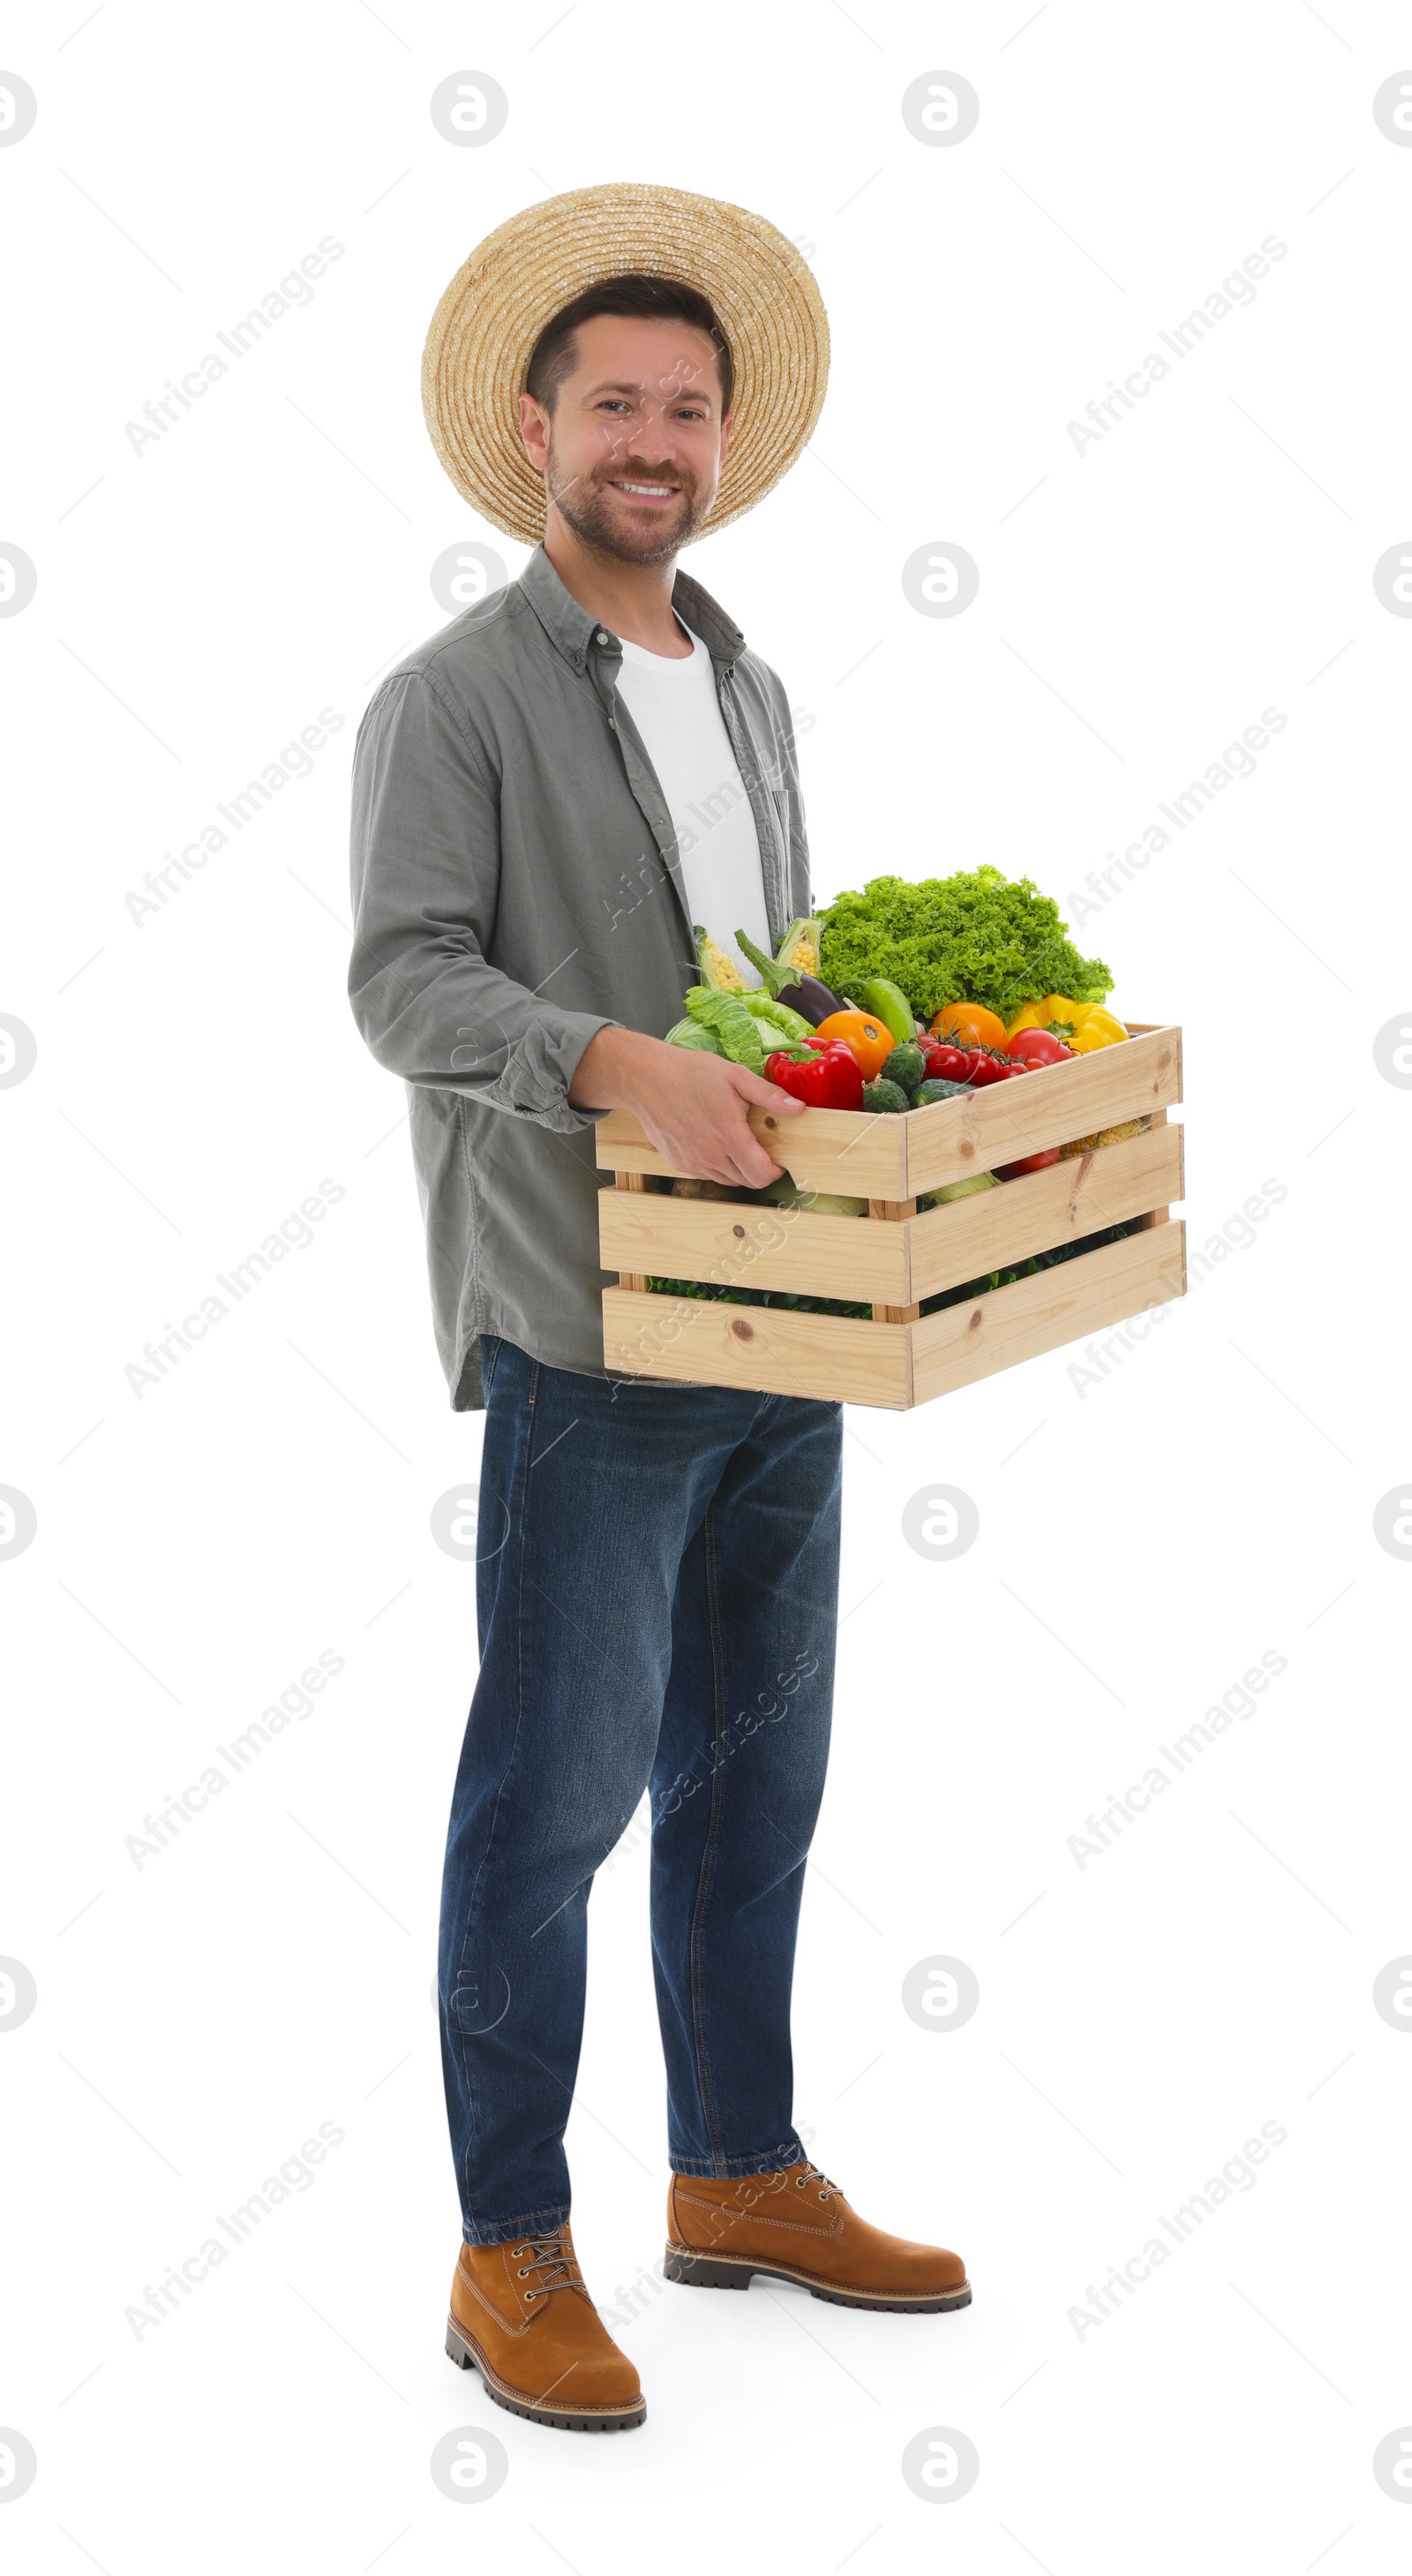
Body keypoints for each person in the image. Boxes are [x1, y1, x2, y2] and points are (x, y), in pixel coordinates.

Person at [349, 183, 969, 2436]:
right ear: (534, 433)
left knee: (751, 1780)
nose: (650, 436)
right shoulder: (453, 700)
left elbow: (771, 980)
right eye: (611, 398)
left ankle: (734, 2170)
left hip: (775, 1319)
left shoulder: (753, 679)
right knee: (553, 1796)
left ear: (720, 446)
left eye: (683, 408)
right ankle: (506, 2243)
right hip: (591, 1326)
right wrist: (613, 1062)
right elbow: (401, 981)